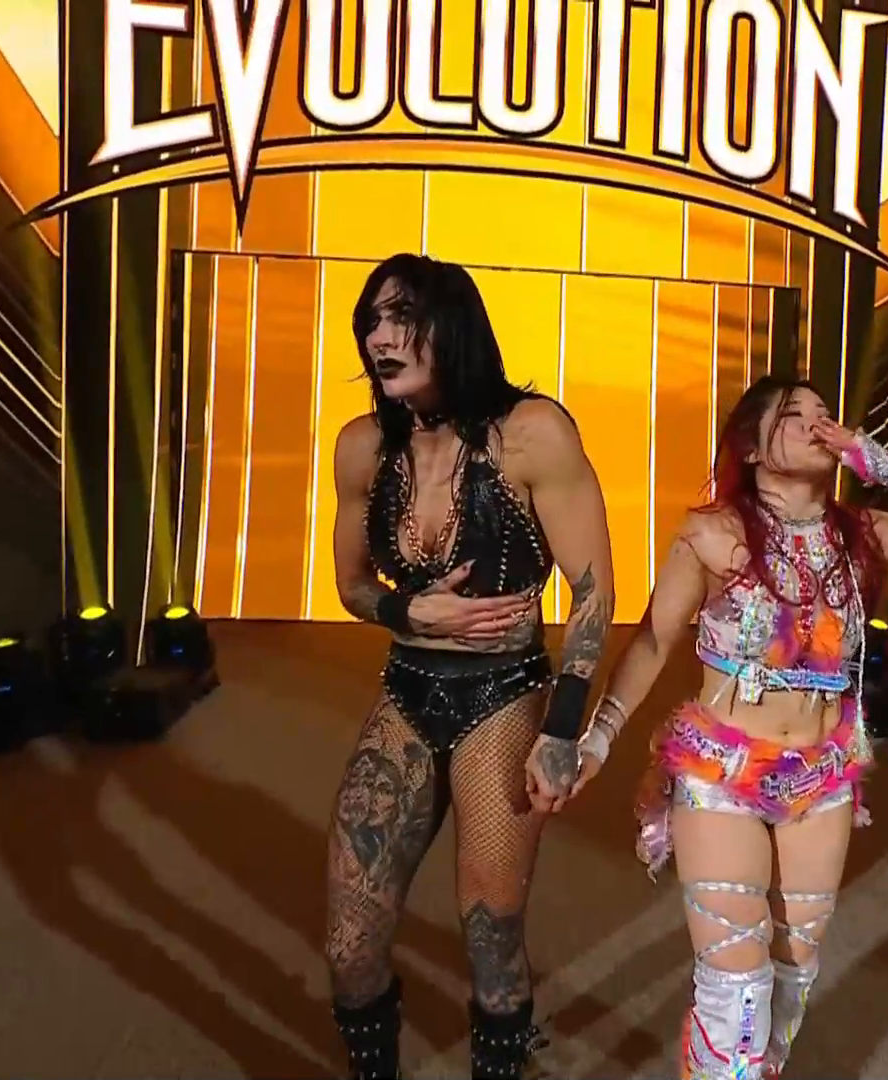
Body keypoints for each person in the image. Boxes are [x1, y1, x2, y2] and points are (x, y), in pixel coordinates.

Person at [564, 376, 888, 1080]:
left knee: (792, 976)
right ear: (751, 447)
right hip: (722, 773)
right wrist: (598, 738)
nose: (817, 426)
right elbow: (655, 640)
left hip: (823, 776)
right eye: (793, 416)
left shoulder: (863, 534)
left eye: (826, 416)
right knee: (736, 989)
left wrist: (880, 461)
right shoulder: (715, 534)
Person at [323, 253, 615, 1080]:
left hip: (504, 697)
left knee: (490, 937)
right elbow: (351, 585)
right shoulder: (361, 448)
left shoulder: (533, 433)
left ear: (451, 327)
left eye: (400, 318)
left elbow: (594, 593)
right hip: (408, 689)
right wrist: (406, 611)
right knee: (348, 944)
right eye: (370, 322)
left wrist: (562, 731)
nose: (379, 339)